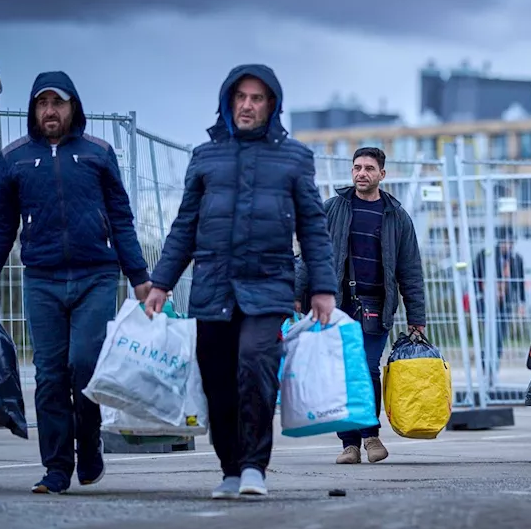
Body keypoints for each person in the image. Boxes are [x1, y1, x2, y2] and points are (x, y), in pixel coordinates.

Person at [0, 71, 152, 495]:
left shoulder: (98, 153)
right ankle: (57, 469)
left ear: (73, 107)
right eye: (42, 103)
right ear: (33, 110)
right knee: (48, 376)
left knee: (84, 364)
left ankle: (90, 444)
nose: (50, 111)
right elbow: (0, 227)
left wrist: (139, 277)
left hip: (95, 276)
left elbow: (121, 218)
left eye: (57, 103)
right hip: (41, 280)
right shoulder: (15, 159)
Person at [144, 64, 336, 499]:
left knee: (255, 367)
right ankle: (230, 468)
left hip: (267, 286)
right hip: (213, 286)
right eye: (241, 97)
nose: (248, 105)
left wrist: (322, 288)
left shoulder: (294, 158)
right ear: (229, 102)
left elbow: (313, 228)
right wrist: (161, 282)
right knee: (217, 381)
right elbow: (184, 226)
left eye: (258, 98)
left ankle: (254, 468)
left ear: (272, 105)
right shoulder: (206, 157)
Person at [313, 146, 426, 465]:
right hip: (336, 304)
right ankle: (349, 444)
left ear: (382, 175)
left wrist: (416, 316)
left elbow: (410, 269)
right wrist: (300, 295)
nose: (361, 173)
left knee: (366, 367)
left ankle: (371, 435)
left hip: (377, 305)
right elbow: (313, 256)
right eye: (357, 167)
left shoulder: (396, 216)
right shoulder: (332, 209)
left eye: (368, 168)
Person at [473, 227, 526, 379]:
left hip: (505, 303)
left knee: (500, 336)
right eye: (506, 242)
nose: (509, 246)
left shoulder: (516, 260)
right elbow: (476, 277)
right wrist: (482, 294)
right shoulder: (485, 256)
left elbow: (519, 282)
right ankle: (485, 366)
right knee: (489, 335)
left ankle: (493, 367)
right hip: (487, 302)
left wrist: (521, 303)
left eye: (511, 242)